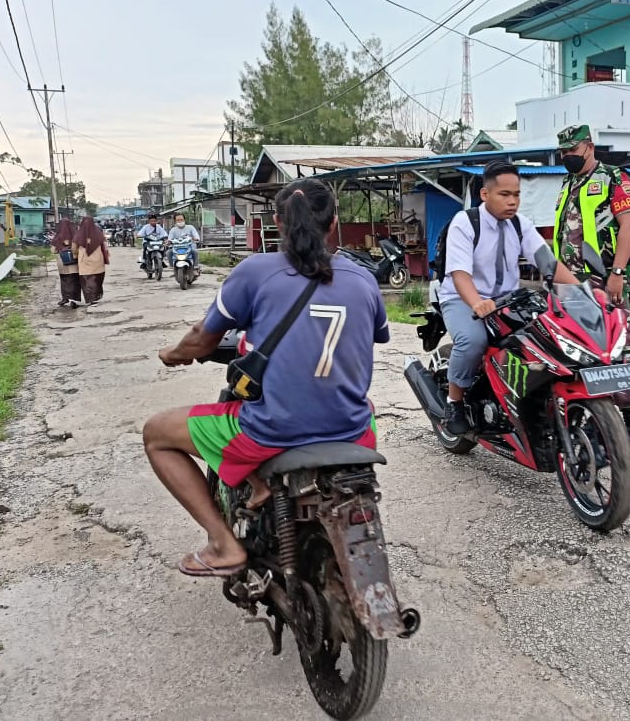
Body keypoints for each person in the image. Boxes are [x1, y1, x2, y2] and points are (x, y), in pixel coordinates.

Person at [142, 178, 390, 578]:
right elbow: (372, 335)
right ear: (334, 223)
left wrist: (172, 354)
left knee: (156, 433)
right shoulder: (363, 279)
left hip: (274, 430)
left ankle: (223, 544)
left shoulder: (256, 271)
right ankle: (261, 485)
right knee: (365, 404)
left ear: (278, 221)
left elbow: (201, 340)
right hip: (353, 430)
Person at [440, 160, 578, 436]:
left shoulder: (521, 225)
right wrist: (477, 303)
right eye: (505, 194)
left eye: (516, 194)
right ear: (485, 194)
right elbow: (460, 275)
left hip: (509, 299)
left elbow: (548, 264)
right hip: (462, 298)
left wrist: (583, 291)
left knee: (547, 336)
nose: (512, 201)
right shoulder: (465, 223)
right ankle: (453, 402)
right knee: (473, 340)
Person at [553, 123, 630, 456]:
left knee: (619, 349)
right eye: (563, 152)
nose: (568, 157)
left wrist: (618, 273)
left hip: (603, 278)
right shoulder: (569, 182)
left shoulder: (614, 178)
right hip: (569, 283)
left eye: (573, 151)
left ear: (589, 146)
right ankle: (598, 422)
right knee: (582, 352)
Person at [72, 216, 110, 305]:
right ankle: (96, 296)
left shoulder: (78, 234)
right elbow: (105, 246)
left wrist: (77, 254)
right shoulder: (98, 233)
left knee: (86, 279)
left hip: (84, 260)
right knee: (97, 278)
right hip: (97, 259)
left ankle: (90, 298)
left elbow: (74, 248)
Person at [51, 217, 82, 307]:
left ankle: (65, 298)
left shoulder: (57, 237)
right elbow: (79, 248)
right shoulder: (75, 235)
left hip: (63, 264)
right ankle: (74, 300)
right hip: (74, 263)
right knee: (75, 281)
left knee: (65, 281)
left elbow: (53, 250)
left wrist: (61, 250)